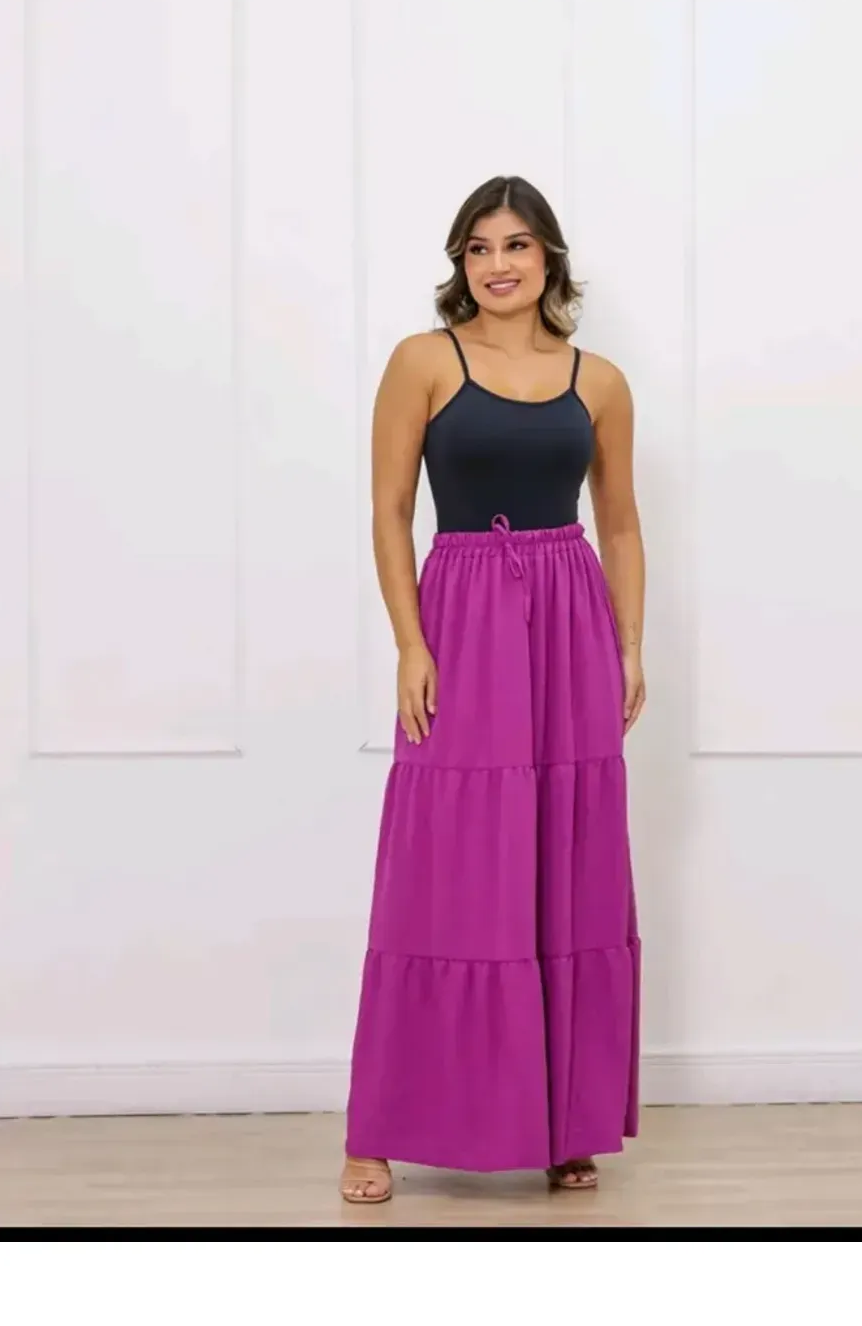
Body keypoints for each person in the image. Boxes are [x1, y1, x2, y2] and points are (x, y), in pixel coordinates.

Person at [340, 176, 645, 1203]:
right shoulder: (424, 361)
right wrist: (409, 644)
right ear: (459, 264)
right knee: (447, 865)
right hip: (464, 612)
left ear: (548, 256)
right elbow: (389, 511)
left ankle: (563, 1123)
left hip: (569, 617)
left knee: (566, 858)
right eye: (477, 248)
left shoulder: (599, 381)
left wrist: (629, 647)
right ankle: (376, 1131)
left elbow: (621, 523)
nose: (497, 264)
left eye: (515, 244)